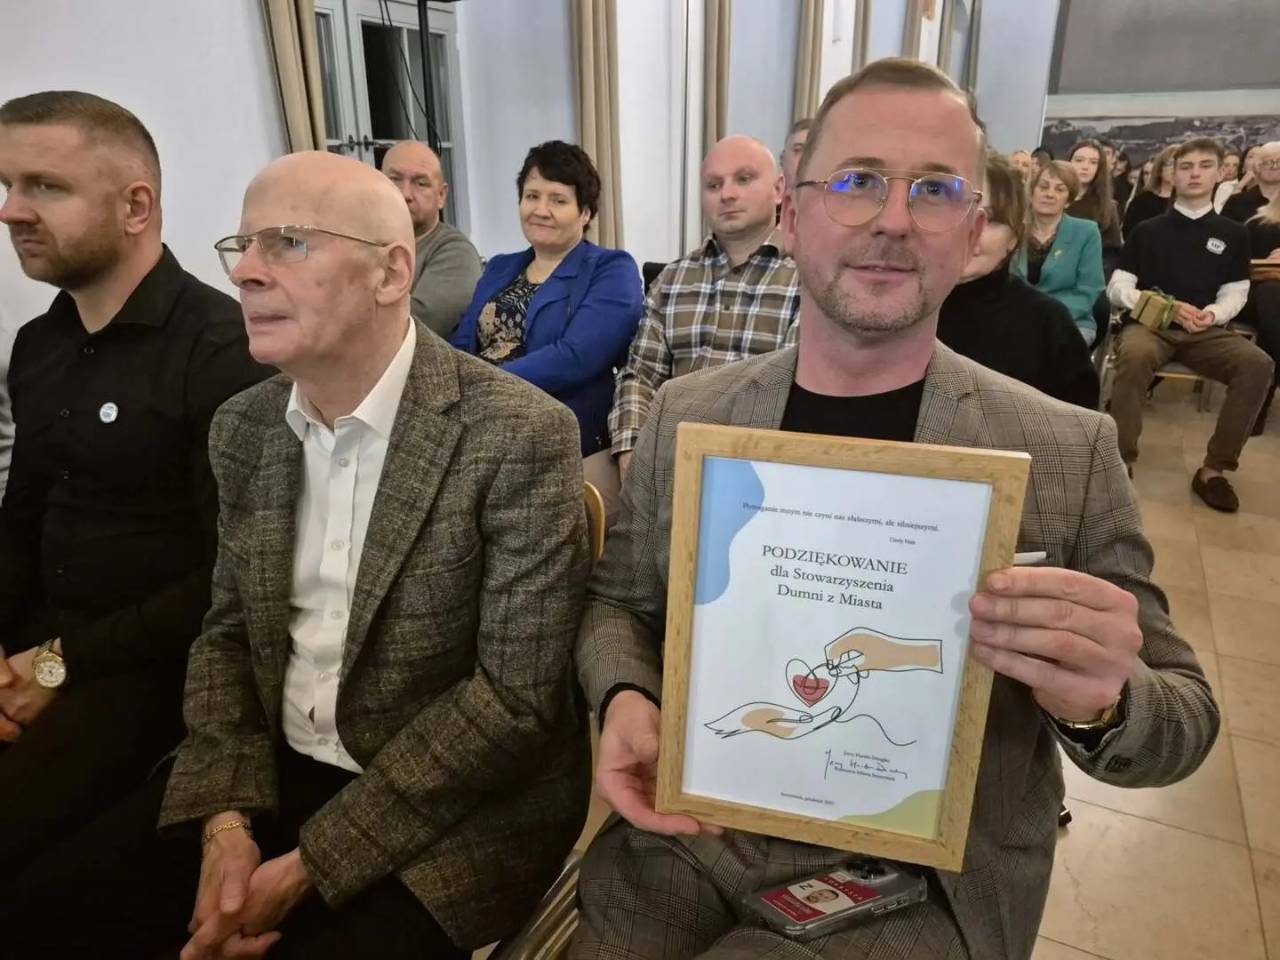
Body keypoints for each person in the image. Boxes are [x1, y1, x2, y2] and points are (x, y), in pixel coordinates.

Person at [571, 57, 1216, 960]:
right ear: (793, 217)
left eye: (936, 189)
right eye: (857, 181)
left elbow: (1183, 721)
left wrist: (1102, 701)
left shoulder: (1067, 450)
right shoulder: (690, 415)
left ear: (975, 230)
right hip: (689, 840)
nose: (893, 220)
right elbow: (617, 606)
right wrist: (628, 694)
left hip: (916, 886)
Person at [0, 151, 593, 960]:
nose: (246, 271)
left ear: (391, 273)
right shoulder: (245, 428)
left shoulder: (518, 433)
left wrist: (309, 865)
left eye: (288, 242)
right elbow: (227, 636)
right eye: (242, 245)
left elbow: (511, 703)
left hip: (452, 802)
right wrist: (226, 824)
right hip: (277, 768)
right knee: (40, 914)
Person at [0, 91, 269, 892]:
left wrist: (56, 666)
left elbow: (230, 581)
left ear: (136, 206)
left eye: (45, 186)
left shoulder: (221, 351)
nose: (12, 211)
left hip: (154, 672)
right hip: (38, 652)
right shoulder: (37, 345)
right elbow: (20, 523)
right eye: (8, 185)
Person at [451, 140, 643, 524]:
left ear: (585, 212)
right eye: (532, 196)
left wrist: (480, 384)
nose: (541, 209)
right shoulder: (500, 268)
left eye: (558, 199)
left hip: (558, 433)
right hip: (478, 427)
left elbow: (576, 356)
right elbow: (461, 340)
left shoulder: (611, 269)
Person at [609, 135, 800, 478]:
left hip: (758, 468)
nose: (727, 194)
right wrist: (630, 450)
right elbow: (640, 375)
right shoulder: (673, 278)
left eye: (743, 179)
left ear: (778, 189)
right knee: (576, 486)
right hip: (663, 456)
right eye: (714, 185)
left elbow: (791, 396)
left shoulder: (806, 279)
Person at [1108, 137, 1272, 512]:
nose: (1194, 173)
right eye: (1185, 166)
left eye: (1204, 166)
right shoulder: (1147, 229)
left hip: (1206, 330)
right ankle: (1119, 462)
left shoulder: (1234, 233)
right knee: (1134, 356)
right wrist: (1168, 308)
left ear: (1220, 173)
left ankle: (1214, 470)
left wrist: (1212, 314)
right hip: (1150, 326)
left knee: (1257, 364)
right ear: (1173, 174)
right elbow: (1118, 288)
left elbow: (1236, 291)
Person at [938, 153, 1098, 408]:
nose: (969, 231)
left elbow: (1075, 423)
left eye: (990, 219)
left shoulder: (1047, 326)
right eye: (956, 210)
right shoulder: (895, 305)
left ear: (1013, 238)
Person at [380, 140, 481, 339]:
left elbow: (414, 327)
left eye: (420, 183)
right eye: (395, 180)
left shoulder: (455, 252)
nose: (405, 194)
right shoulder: (358, 239)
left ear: (441, 196)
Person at [1011, 161, 1106, 344]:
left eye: (1059, 189)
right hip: (1016, 317)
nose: (1049, 194)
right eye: (1043, 186)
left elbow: (1089, 289)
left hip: (1069, 321)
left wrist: (1044, 315)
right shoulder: (1013, 229)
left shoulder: (1086, 232)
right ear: (1032, 192)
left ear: (1068, 200)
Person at [1245, 189, 1280, 432]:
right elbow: (1238, 267)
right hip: (1255, 294)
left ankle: (1257, 410)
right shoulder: (1258, 225)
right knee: (1271, 294)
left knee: (1274, 311)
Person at [1067, 138, 1123, 274]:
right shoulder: (1052, 199)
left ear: (1099, 168)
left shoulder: (1107, 208)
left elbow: (1111, 255)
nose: (1085, 167)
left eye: (1093, 162)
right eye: (1079, 160)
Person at [1123, 144, 1176, 239]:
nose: (1175, 169)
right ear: (1160, 169)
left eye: (1183, 165)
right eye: (1171, 163)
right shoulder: (1141, 202)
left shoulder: (1191, 201)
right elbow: (1130, 235)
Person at [1223, 140, 1280, 225]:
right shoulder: (1236, 202)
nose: (1274, 166)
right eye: (1267, 162)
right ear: (1256, 167)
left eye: (1279, 161)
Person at [1215, 143, 1259, 213]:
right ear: (1243, 167)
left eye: (1235, 165)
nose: (1230, 169)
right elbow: (1219, 213)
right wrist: (1239, 186)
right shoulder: (1227, 186)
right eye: (1251, 156)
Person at [781, 118, 812, 187]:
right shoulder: (766, 192)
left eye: (812, 151)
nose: (806, 157)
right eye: (798, 150)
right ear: (783, 159)